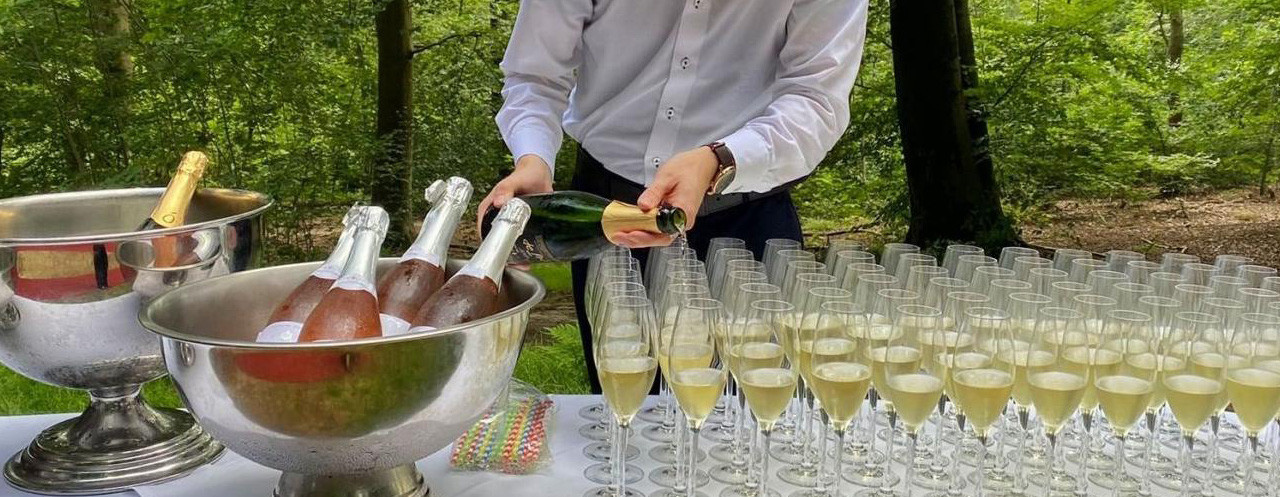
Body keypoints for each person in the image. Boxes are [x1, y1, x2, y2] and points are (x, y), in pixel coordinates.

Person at [478, 0, 869, 393]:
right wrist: (533, 159)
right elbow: (535, 76)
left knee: (752, 414)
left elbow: (817, 101)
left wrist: (719, 160)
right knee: (624, 409)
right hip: (603, 221)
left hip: (747, 224)